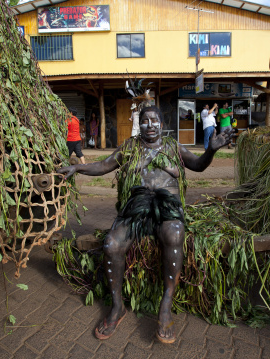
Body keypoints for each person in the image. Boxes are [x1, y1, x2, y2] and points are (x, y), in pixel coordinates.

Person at [58, 106, 233, 344]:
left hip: (168, 209)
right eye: (145, 121)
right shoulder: (129, 148)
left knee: (174, 233)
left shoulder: (174, 147)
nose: (150, 125)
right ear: (139, 124)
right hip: (135, 209)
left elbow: (199, 165)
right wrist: (77, 167)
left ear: (162, 124)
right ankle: (117, 307)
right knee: (111, 244)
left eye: (155, 120)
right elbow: (104, 165)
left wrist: (210, 151)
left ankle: (165, 305)